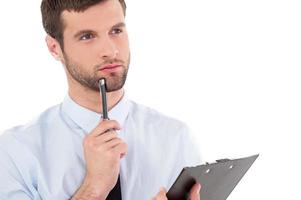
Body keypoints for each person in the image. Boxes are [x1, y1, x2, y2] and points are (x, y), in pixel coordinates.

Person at [0, 0, 202, 199]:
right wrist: (93, 188)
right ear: (54, 48)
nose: (110, 51)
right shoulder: (15, 151)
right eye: (87, 36)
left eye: (116, 31)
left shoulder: (176, 139)